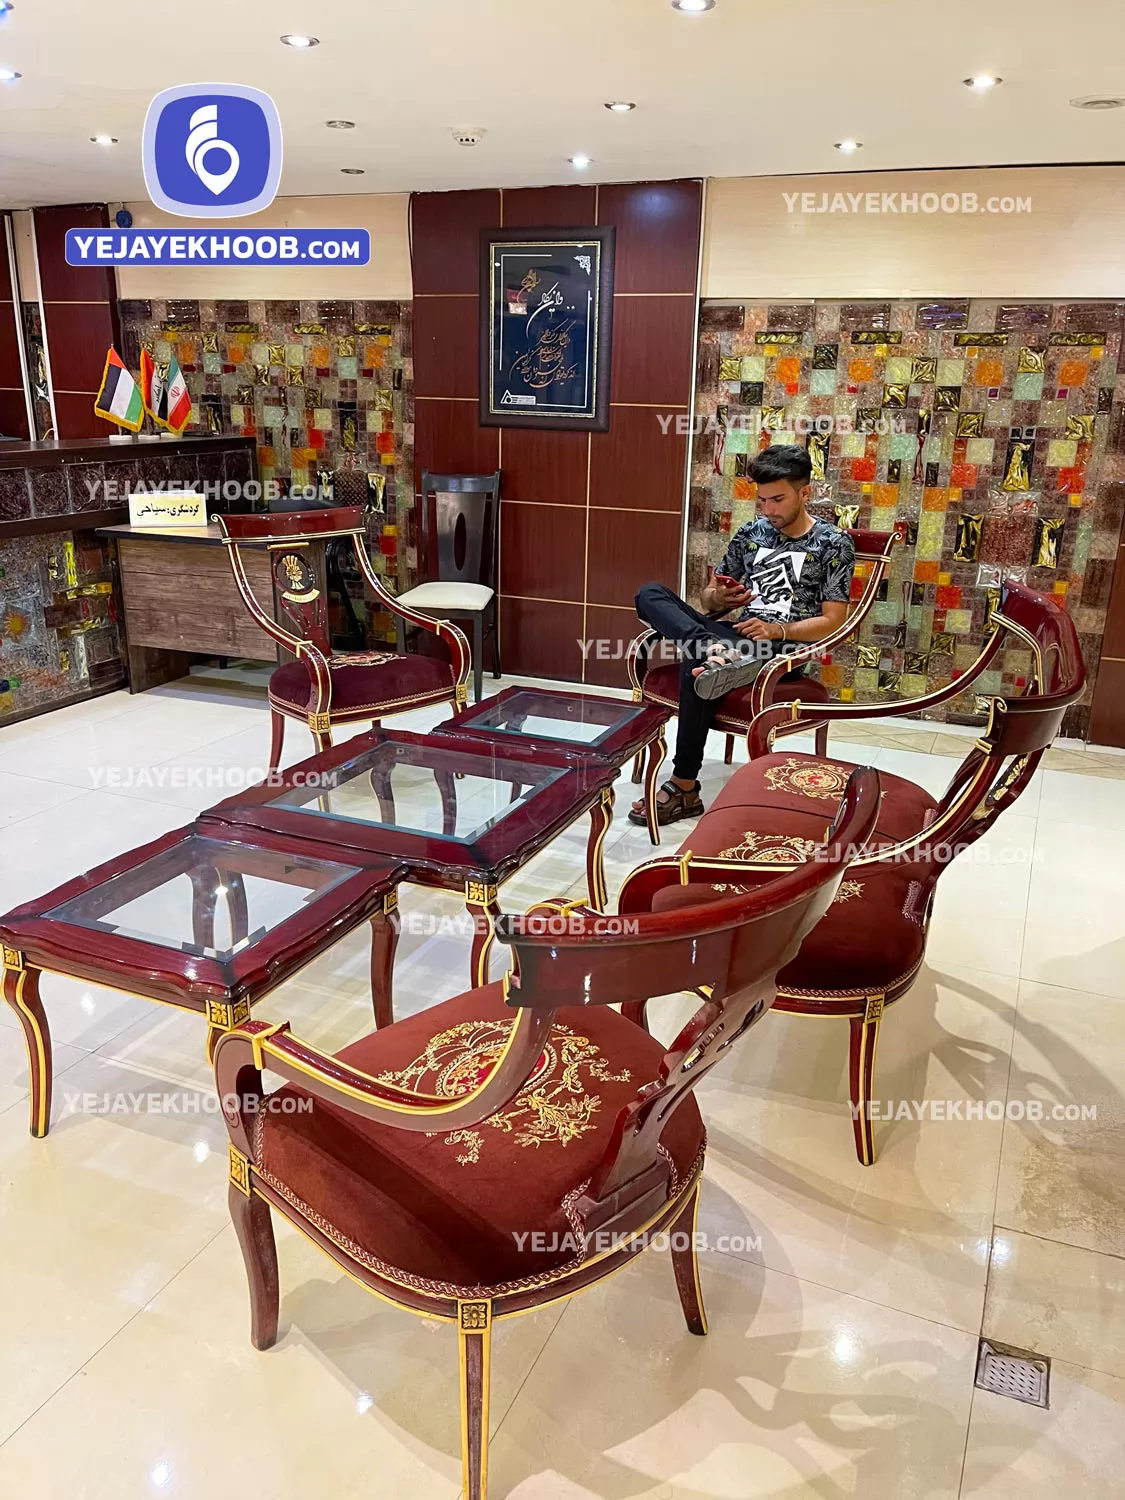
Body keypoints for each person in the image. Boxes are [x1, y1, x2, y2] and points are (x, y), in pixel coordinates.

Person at [630, 443, 855, 826]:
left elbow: (834, 620)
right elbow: (708, 599)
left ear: (805, 492)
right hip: (730, 638)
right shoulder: (752, 533)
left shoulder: (833, 543)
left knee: (698, 665)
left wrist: (777, 629)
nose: (768, 510)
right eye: (762, 500)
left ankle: (684, 786)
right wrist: (720, 597)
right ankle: (709, 648)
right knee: (649, 594)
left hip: (780, 650)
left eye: (778, 500)